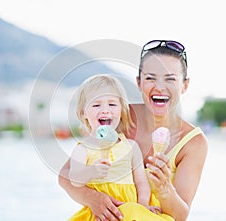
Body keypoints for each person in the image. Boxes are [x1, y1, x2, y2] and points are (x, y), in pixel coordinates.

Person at [59, 40, 208, 221]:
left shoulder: (193, 143)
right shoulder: (116, 115)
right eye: (150, 78)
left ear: (184, 85)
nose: (159, 87)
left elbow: (180, 216)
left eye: (170, 79)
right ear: (139, 83)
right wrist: (92, 198)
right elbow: (65, 176)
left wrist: (164, 188)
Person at [68, 74, 163, 220]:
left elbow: (141, 182)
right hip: (100, 215)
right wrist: (91, 171)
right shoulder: (83, 149)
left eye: (112, 104)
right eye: (96, 105)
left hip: (132, 211)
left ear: (121, 111)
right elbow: (74, 179)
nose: (105, 110)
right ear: (83, 113)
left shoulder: (131, 146)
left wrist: (142, 205)